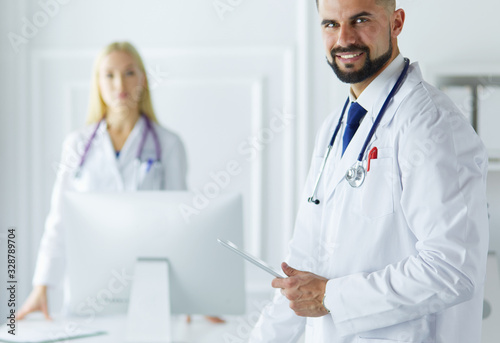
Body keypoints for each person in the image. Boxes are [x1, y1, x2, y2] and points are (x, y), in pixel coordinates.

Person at [249, 0, 489, 342]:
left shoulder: (429, 123)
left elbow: (452, 269)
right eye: (330, 24)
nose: (344, 38)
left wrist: (331, 296)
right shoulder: (335, 126)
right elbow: (302, 264)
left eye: (360, 20)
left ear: (396, 22)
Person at [17, 41, 189, 319]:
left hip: (150, 284)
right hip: (89, 285)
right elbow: (59, 219)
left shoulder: (169, 145)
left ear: (143, 79)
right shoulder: (76, 145)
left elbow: (181, 224)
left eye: (129, 72)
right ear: (97, 83)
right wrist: (42, 286)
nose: (119, 82)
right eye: (108, 74)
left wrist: (193, 296)